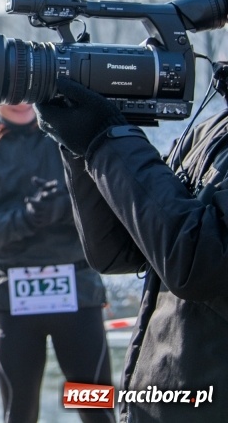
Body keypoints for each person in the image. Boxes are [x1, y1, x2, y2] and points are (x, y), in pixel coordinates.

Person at [35, 77, 228, 422]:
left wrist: (107, 139)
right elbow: (118, 251)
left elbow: (199, 265)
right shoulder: (211, 131)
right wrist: (82, 146)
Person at [0, 104, 114, 423]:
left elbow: (109, 203)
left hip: (79, 289)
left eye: (26, 90)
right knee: (19, 413)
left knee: (96, 408)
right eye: (9, 91)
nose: (19, 99)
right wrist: (25, 218)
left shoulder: (72, 137)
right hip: (12, 294)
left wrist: (66, 208)